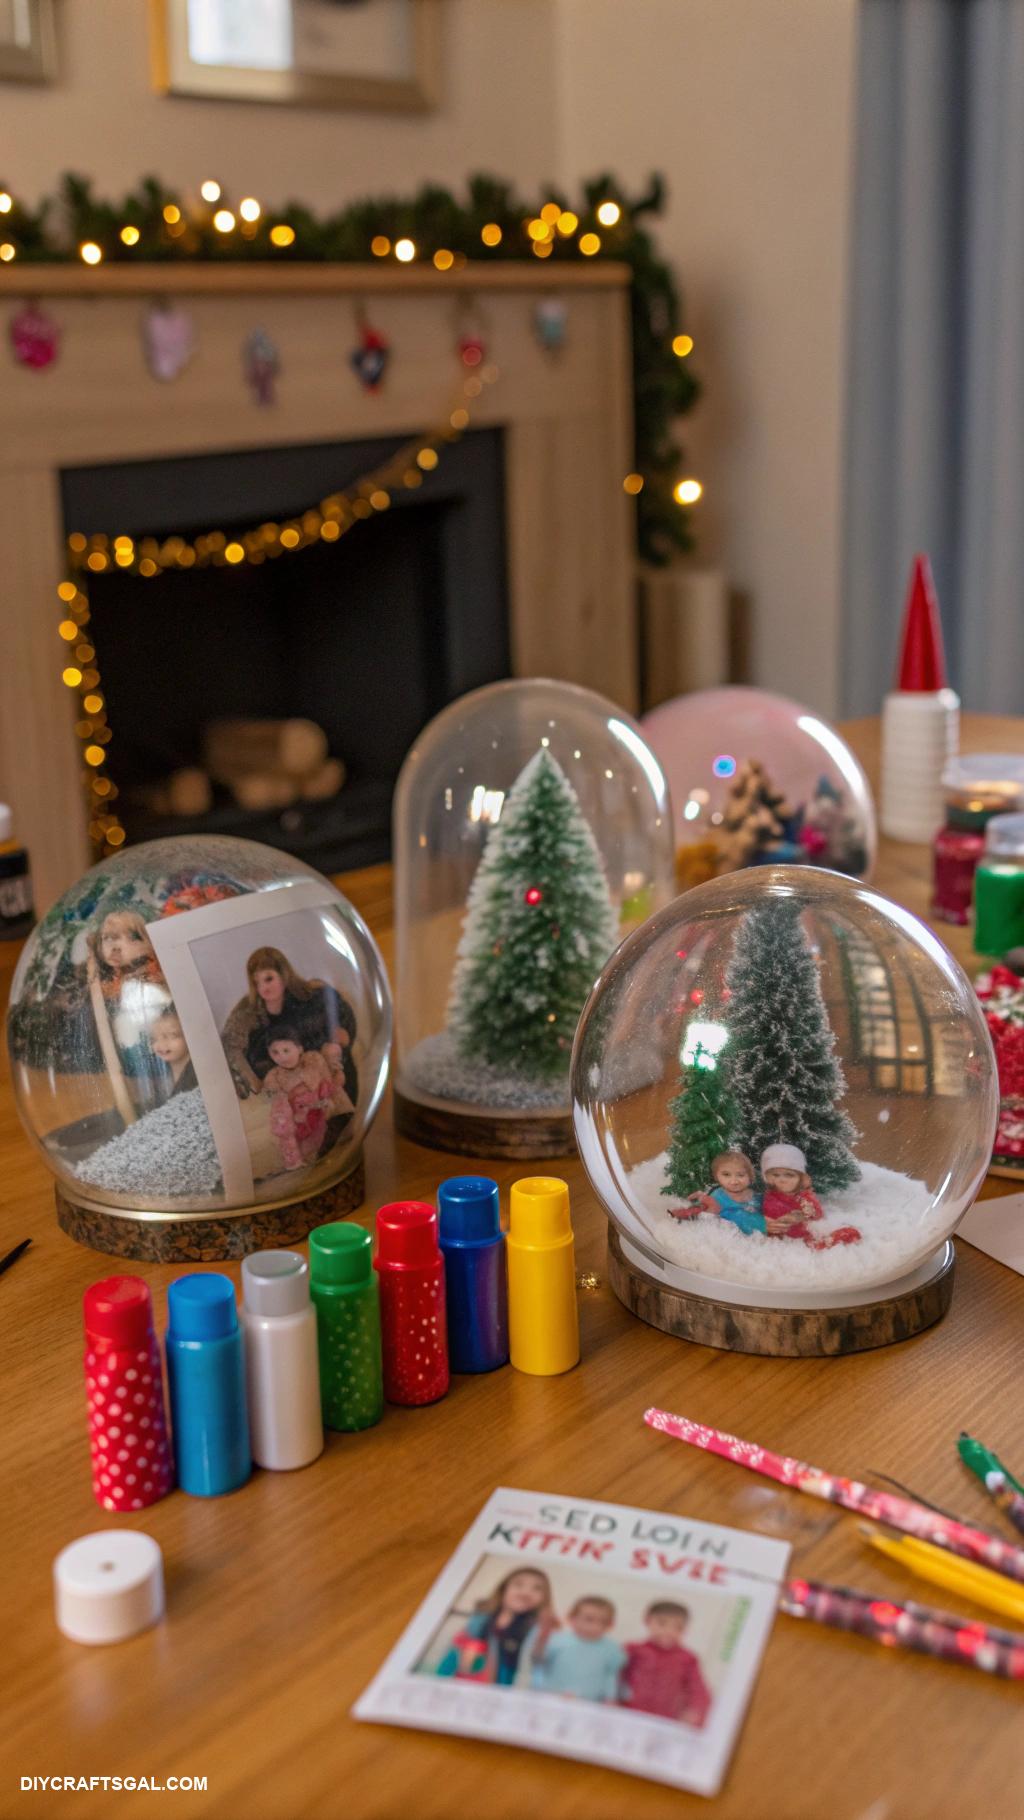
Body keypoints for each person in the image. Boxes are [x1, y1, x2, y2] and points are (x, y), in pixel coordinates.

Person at [221, 945, 358, 1114]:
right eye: (257, 982)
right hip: (288, 1097)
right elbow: (231, 1047)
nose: (263, 988)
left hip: (326, 1083)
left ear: (283, 974)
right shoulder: (249, 1015)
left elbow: (343, 1028)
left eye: (269, 978)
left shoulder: (314, 999)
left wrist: (337, 1050)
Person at [435, 1568, 553, 1686]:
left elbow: (535, 1667)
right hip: (463, 1681)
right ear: (504, 1589)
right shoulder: (480, 1619)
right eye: (518, 1584)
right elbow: (454, 1653)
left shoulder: (535, 1629)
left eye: (537, 1589)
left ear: (543, 1598)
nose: (526, 1592)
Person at [263, 1027, 354, 1172]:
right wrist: (292, 1096)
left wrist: (335, 1076)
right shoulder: (274, 1076)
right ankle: (299, 1163)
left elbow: (327, 1083)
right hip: (297, 1121)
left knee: (322, 1143)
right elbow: (275, 1100)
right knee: (302, 1150)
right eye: (275, 1052)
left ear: (299, 1049)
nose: (282, 1057)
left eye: (286, 1050)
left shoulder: (312, 1061)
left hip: (320, 1114)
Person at [619, 1600, 711, 1727]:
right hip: (627, 1715)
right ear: (647, 1621)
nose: (669, 1631)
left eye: (678, 1627)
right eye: (662, 1624)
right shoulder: (633, 1649)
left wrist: (695, 1711)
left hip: (664, 1721)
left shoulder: (688, 1658)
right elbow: (615, 1676)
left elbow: (698, 1689)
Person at [760, 1144, 860, 1249]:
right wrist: (791, 1217)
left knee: (850, 1232)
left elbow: (818, 1214)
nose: (782, 1179)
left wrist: (807, 1212)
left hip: (807, 1233)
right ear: (767, 1177)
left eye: (789, 1175)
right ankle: (823, 1245)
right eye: (775, 1175)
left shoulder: (804, 1195)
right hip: (788, 1240)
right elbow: (772, 1213)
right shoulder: (770, 1197)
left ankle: (831, 1242)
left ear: (801, 1177)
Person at [529, 1596, 624, 1702]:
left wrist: (610, 1698)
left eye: (603, 1622)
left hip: (590, 1703)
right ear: (572, 1618)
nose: (595, 1626)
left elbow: (611, 1676)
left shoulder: (612, 1649)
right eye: (589, 1619)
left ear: (611, 1624)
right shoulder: (557, 1640)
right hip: (553, 1697)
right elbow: (539, 1664)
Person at [669, 1150, 766, 1235]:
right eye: (726, 1175)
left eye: (741, 1175)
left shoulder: (756, 1195)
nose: (734, 1181)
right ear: (716, 1176)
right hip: (734, 1236)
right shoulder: (717, 1196)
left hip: (760, 1235)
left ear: (750, 1176)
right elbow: (702, 1214)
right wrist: (682, 1213)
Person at [149, 1006, 197, 1098]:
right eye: (154, 1038)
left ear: (188, 1034)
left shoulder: (198, 1074)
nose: (161, 1043)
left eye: (172, 1035)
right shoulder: (158, 1073)